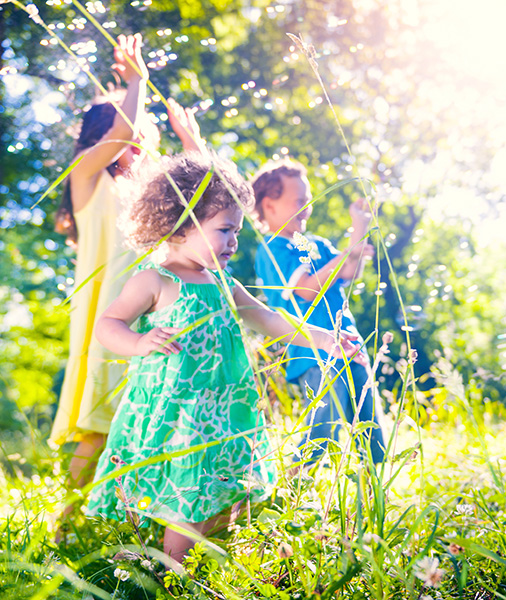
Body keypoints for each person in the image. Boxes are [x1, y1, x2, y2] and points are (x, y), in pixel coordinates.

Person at [85, 152, 364, 563]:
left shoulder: (223, 281)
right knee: (185, 492)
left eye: (235, 230)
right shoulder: (156, 280)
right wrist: (139, 343)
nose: (234, 240)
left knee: (217, 489)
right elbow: (108, 325)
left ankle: (202, 557)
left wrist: (322, 338)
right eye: (225, 230)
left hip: (222, 408)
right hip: (177, 411)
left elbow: (266, 318)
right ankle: (171, 573)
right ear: (180, 227)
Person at [52, 33, 204, 497]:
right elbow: (121, 133)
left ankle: (130, 517)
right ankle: (66, 522)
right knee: (99, 422)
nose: (137, 150)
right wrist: (137, 83)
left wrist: (191, 143)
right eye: (130, 139)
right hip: (107, 317)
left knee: (153, 417)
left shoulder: (147, 201)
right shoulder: (86, 178)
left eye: (145, 144)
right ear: (102, 139)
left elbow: (202, 208)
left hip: (153, 312)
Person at [252, 160, 386, 465]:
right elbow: (306, 289)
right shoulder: (273, 248)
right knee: (324, 424)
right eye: (299, 200)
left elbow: (349, 270)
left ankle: (376, 486)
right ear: (270, 206)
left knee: (370, 420)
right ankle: (298, 479)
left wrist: (360, 226)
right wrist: (344, 256)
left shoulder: (313, 243)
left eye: (308, 199)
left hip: (348, 341)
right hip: (314, 350)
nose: (307, 207)